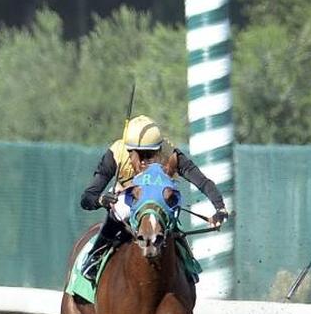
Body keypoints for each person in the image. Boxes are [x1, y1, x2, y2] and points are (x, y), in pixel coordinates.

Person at [78, 114, 229, 280]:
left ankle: (187, 265)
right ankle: (95, 257)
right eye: (140, 154)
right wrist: (101, 200)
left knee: (170, 216)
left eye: (150, 154)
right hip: (130, 200)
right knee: (120, 210)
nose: (144, 161)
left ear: (159, 149)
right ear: (129, 150)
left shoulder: (171, 154)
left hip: (159, 203)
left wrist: (219, 207)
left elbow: (202, 181)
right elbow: (87, 198)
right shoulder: (115, 154)